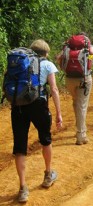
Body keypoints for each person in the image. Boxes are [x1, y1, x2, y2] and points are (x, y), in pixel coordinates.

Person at [11, 39, 62, 203]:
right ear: (45, 52)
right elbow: (53, 89)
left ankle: (23, 188)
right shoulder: (47, 64)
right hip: (38, 105)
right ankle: (48, 175)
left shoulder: (21, 62)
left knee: (19, 147)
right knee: (45, 139)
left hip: (18, 105)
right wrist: (59, 114)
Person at [56, 32, 93, 145]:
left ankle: (80, 127)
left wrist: (63, 68)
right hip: (84, 78)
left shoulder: (68, 48)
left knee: (76, 103)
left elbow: (58, 58)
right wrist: (90, 62)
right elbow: (92, 53)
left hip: (69, 79)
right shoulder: (89, 46)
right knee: (82, 105)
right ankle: (81, 135)